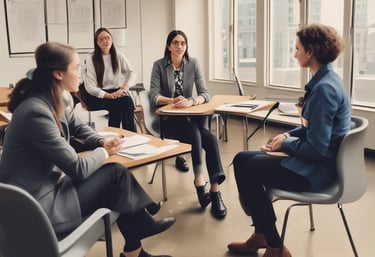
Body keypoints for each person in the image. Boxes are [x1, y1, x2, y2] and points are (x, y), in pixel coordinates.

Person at [0, 42, 175, 257]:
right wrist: (105, 152)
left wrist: (101, 142)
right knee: (116, 175)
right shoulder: (35, 112)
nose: (81, 75)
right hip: (36, 208)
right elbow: (78, 168)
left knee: (116, 180)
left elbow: (77, 126)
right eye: (76, 68)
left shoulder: (58, 96)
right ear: (58, 74)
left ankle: (136, 247)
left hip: (47, 189)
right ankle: (140, 228)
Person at [227, 23, 350, 257]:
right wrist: (287, 135)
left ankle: (273, 243)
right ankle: (263, 234)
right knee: (242, 159)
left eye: (297, 49)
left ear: (310, 52)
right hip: (316, 165)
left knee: (247, 167)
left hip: (316, 172)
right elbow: (311, 129)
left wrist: (285, 144)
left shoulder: (324, 90)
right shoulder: (328, 81)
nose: (295, 54)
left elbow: (315, 149)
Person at [150, 30, 227, 219]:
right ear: (168, 46)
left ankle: (214, 190)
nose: (179, 46)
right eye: (175, 43)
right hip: (168, 121)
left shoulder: (193, 64)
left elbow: (205, 94)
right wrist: (174, 100)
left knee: (210, 139)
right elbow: (154, 96)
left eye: (183, 43)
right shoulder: (159, 66)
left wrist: (192, 102)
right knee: (199, 132)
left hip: (191, 116)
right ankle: (200, 181)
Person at [84, 27, 137, 131]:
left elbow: (132, 73)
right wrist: (109, 96)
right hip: (97, 96)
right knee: (117, 104)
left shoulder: (118, 55)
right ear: (97, 43)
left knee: (127, 101)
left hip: (115, 92)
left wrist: (124, 88)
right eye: (101, 39)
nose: (105, 41)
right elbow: (90, 87)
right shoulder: (90, 58)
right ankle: (114, 134)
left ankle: (131, 134)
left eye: (107, 38)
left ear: (112, 40)